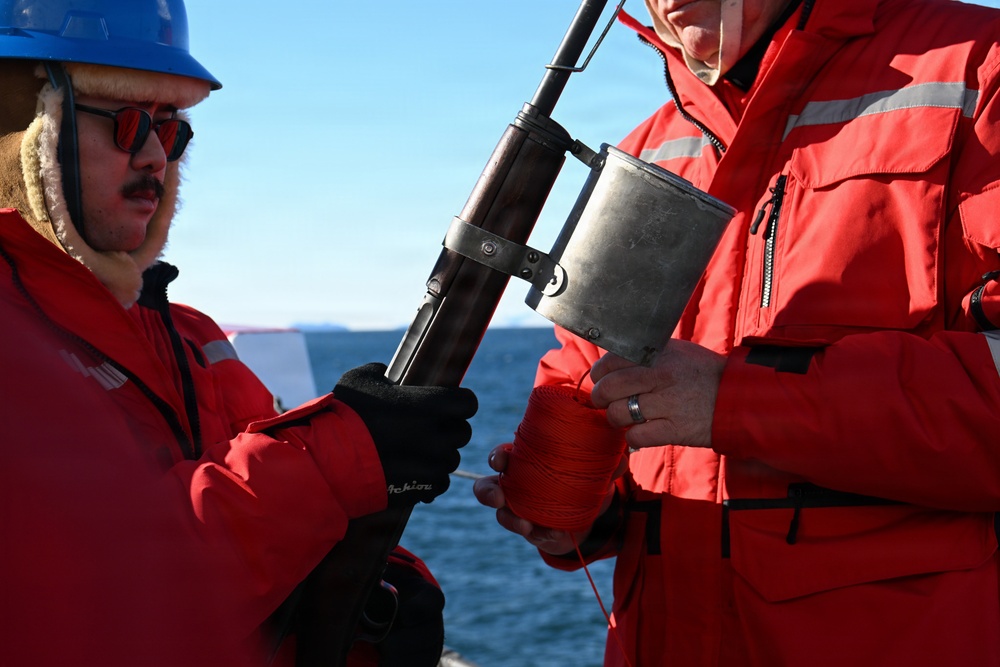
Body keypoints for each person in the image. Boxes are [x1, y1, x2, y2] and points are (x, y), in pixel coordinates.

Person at [474, 0, 1000, 665]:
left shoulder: (980, 69)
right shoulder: (647, 151)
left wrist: (738, 401)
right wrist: (571, 505)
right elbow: (581, 373)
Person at [0, 1, 477, 666]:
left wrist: (387, 585)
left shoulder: (189, 334)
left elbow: (284, 519)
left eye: (172, 132)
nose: (155, 159)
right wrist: (343, 452)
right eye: (130, 122)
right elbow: (103, 585)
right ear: (20, 129)